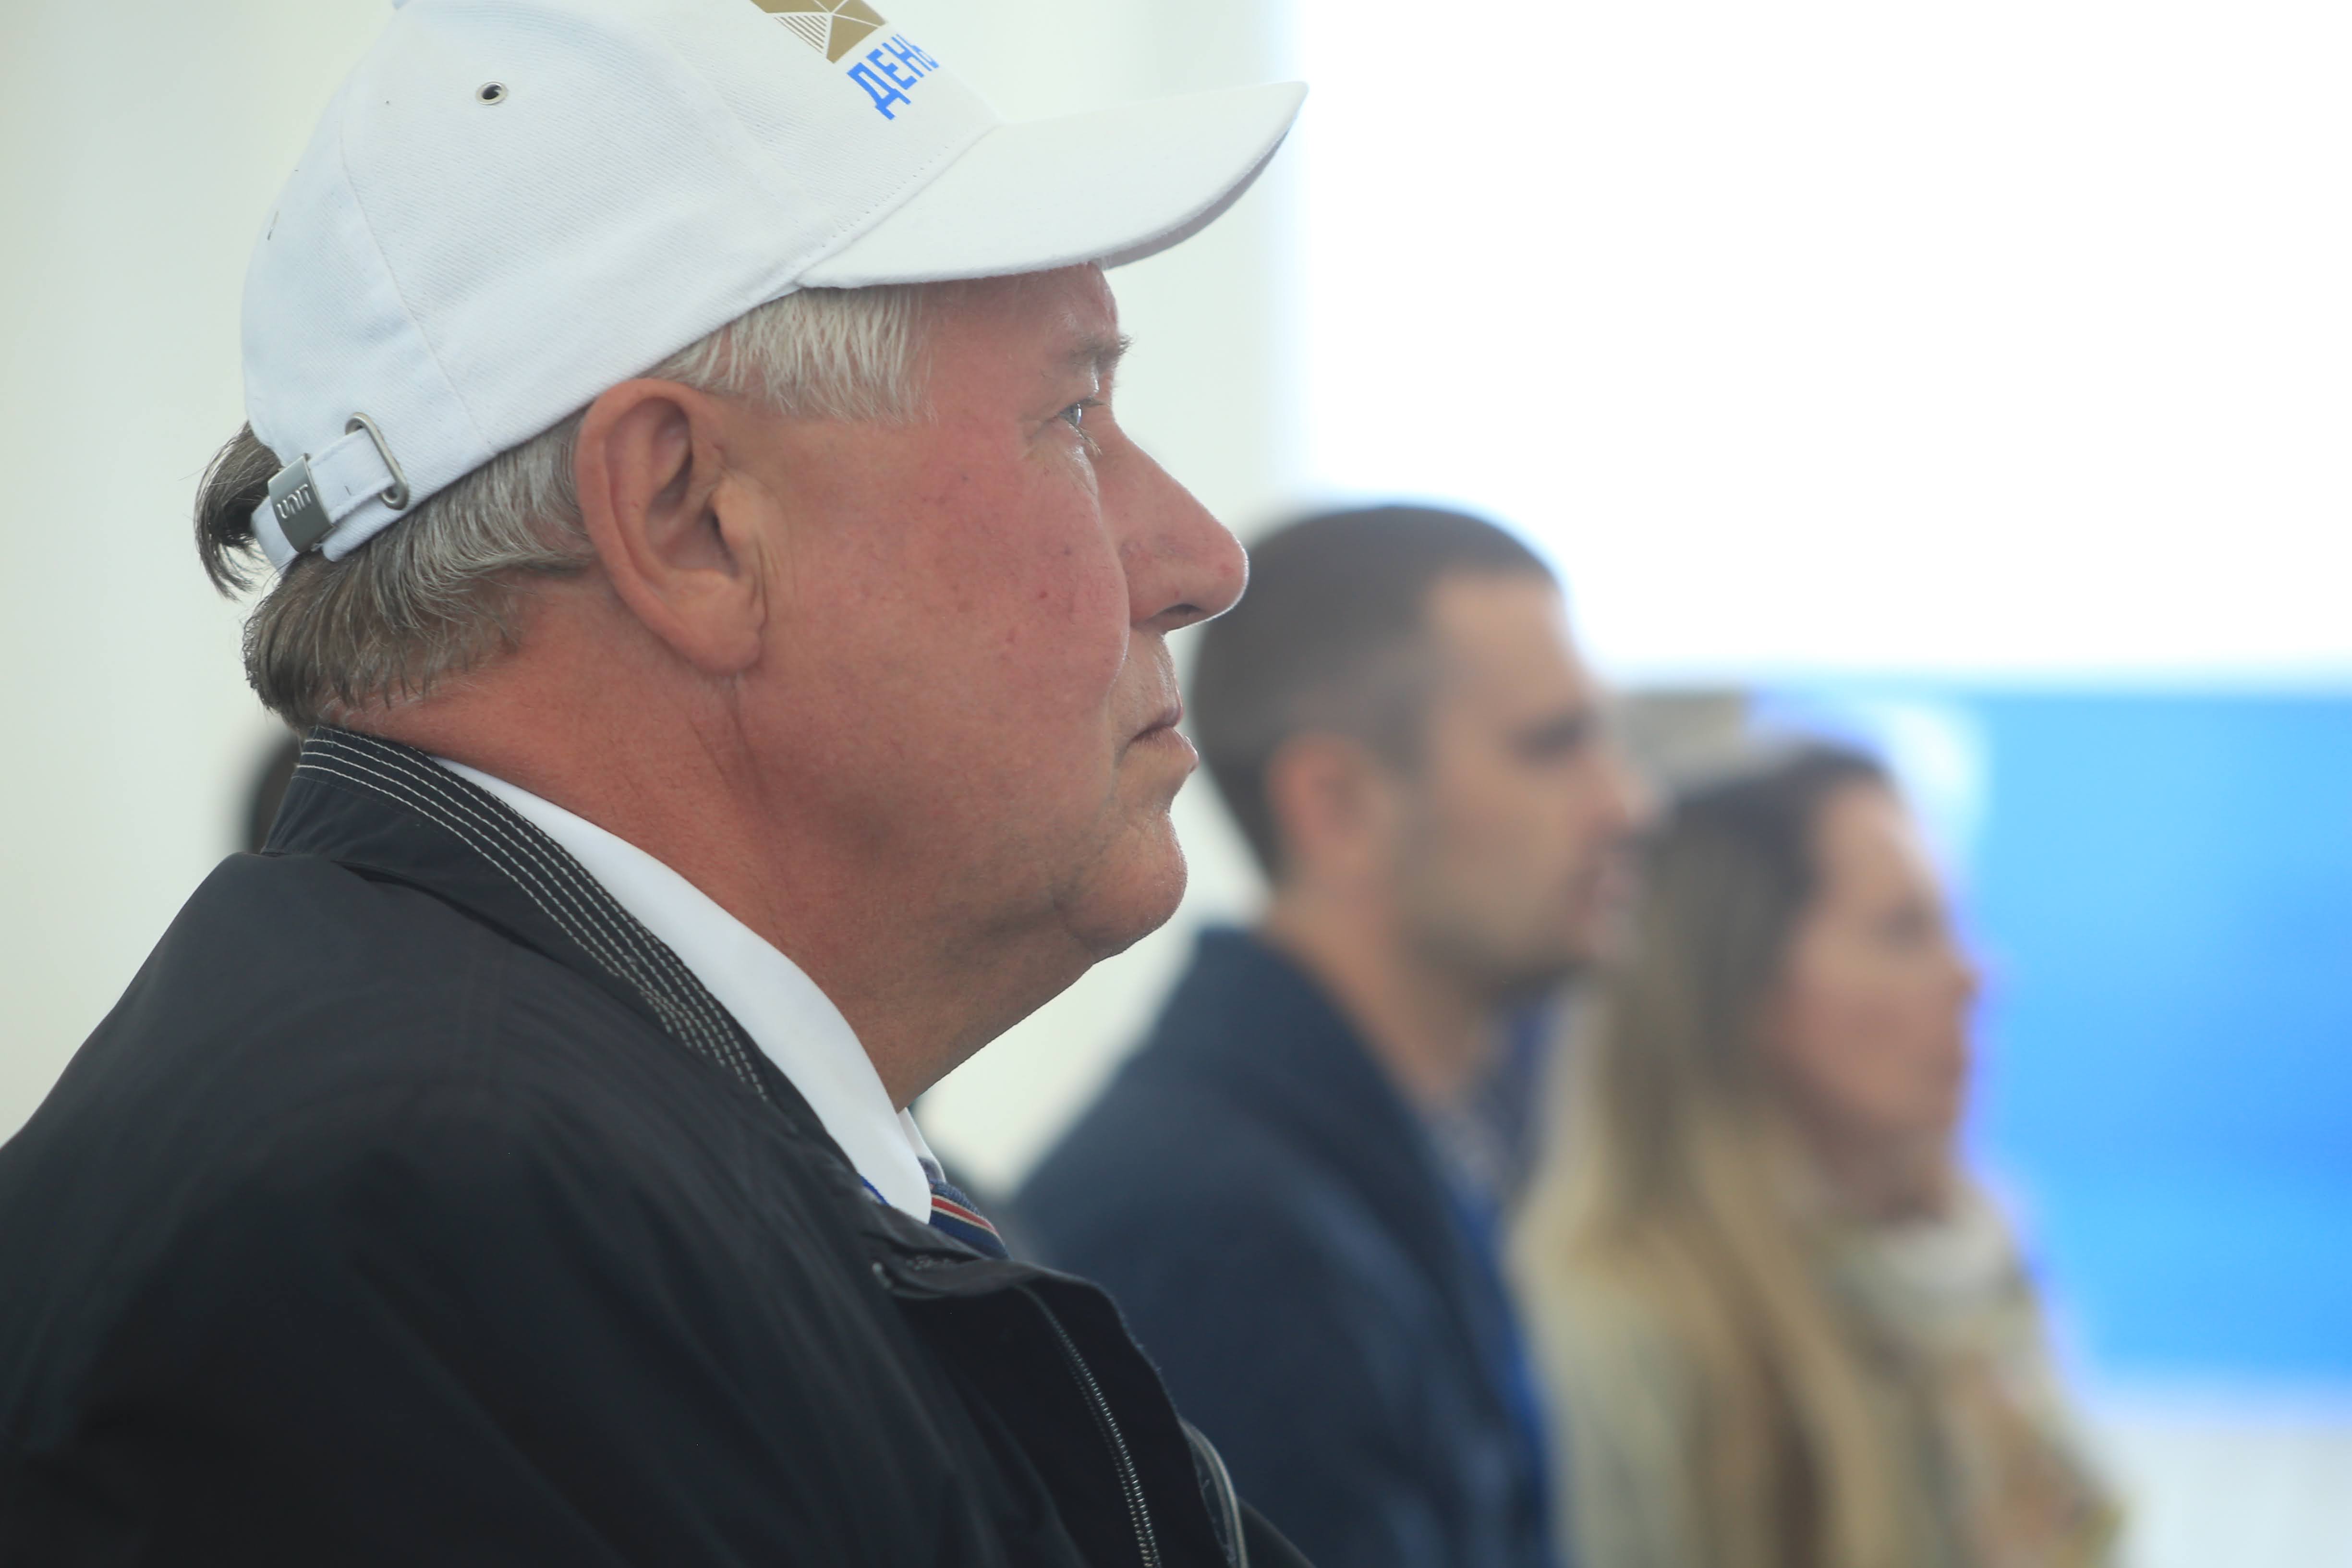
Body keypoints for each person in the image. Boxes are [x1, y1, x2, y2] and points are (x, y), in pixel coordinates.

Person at [0, 1, 1311, 1561]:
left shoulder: (564, 1167)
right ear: (688, 517)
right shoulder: (431, 1242)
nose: (1201, 560)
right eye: (1073, 415)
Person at [1018, 505, 1647, 1568]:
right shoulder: (1224, 1241)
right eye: (1552, 745)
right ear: (1337, 805)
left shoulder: (1366, 1160)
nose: (1626, 805)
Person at [1512, 746, 2122, 1568]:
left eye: (1951, 925)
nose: (1974, 977)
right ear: (1740, 989)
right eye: (1902, 931)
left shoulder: (1972, 1268)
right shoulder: (1610, 1335)